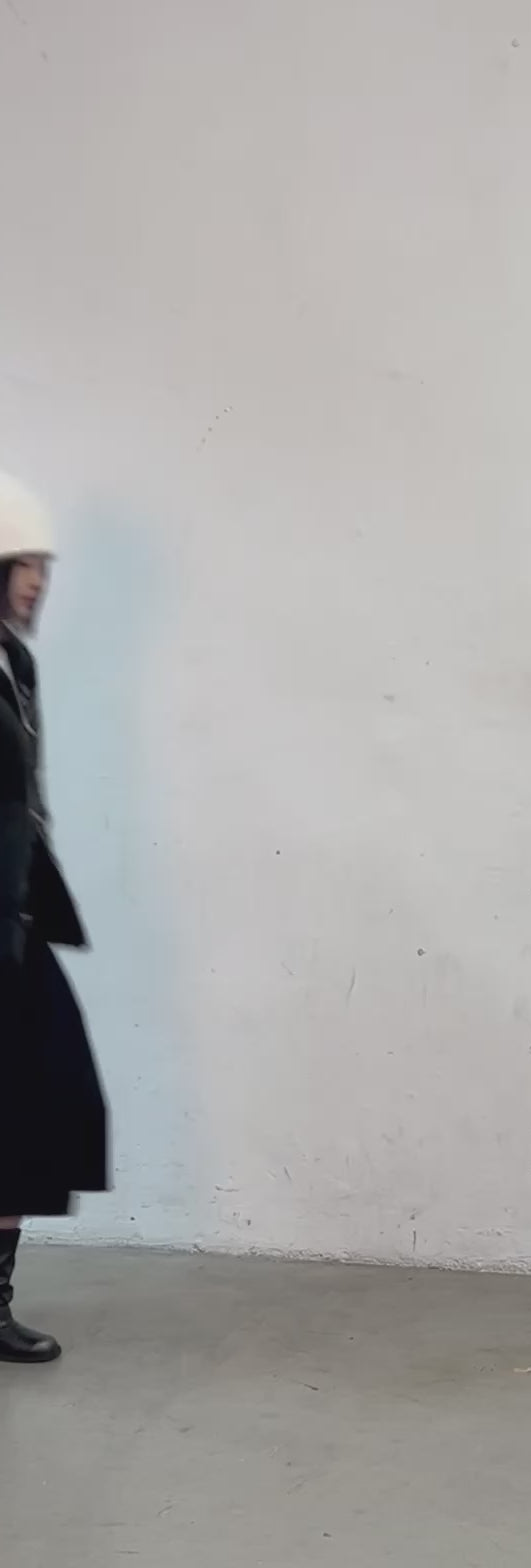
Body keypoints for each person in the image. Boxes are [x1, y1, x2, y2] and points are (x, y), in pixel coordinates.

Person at [0, 469, 109, 1363]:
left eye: (42, 565)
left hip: (17, 919)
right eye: (22, 563)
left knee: (40, 1104)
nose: (38, 581)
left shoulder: (16, 663)